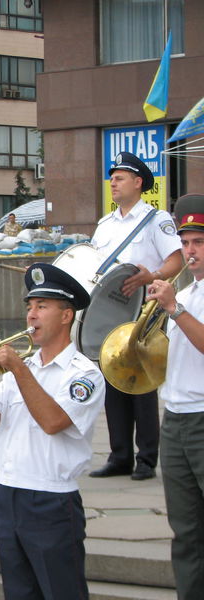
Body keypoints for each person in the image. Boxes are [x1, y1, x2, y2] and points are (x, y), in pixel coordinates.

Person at [0, 263, 105, 600]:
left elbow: (53, 421)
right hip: (9, 493)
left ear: (65, 316)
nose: (31, 315)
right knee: (19, 592)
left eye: (42, 306)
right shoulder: (25, 368)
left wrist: (15, 367)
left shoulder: (83, 374)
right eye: (29, 306)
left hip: (51, 500)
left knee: (62, 592)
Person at [89, 151, 183, 481]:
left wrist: (151, 275)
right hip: (110, 312)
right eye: (111, 177)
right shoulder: (104, 224)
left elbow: (177, 260)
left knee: (141, 383)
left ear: (138, 182)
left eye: (120, 177)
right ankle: (119, 456)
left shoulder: (156, 220)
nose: (113, 182)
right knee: (114, 380)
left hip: (146, 311)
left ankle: (146, 458)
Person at [147, 193, 204, 600]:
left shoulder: (182, 301)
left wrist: (174, 310)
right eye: (185, 243)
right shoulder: (187, 293)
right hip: (177, 416)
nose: (189, 252)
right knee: (185, 530)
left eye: (198, 242)